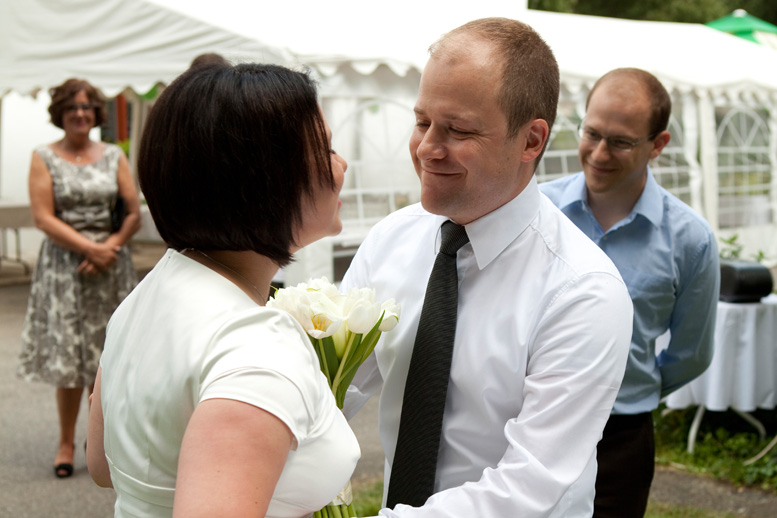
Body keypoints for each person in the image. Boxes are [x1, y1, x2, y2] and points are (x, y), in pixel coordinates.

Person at [341, 17, 633, 517]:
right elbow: (335, 387)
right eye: (421, 122)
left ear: (531, 141)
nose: (426, 148)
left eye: (457, 130)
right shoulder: (391, 241)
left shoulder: (583, 291)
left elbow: (528, 487)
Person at [86, 62, 359, 518]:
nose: (342, 164)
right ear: (268, 177)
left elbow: (103, 465)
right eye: (326, 148)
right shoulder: (255, 346)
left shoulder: (151, 289)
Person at [540, 68, 719, 518]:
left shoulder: (691, 241)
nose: (599, 153)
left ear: (658, 144)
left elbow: (692, 353)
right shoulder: (536, 212)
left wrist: (628, 387)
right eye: (592, 134)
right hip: (530, 420)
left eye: (620, 142)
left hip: (622, 438)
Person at [17, 78, 141, 479]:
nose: (80, 113)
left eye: (87, 107)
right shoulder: (44, 156)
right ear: (60, 113)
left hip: (110, 267)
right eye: (72, 107)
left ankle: (100, 442)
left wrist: (109, 247)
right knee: (69, 360)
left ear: (96, 113)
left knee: (107, 357)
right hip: (65, 268)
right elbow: (43, 217)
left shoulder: (113, 155)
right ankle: (66, 442)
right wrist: (91, 249)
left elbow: (133, 211)